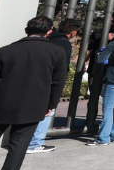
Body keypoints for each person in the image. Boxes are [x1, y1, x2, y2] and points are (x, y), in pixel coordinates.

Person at [0, 16, 69, 170]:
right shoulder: (56, 52)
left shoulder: (5, 51)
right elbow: (58, 81)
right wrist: (51, 105)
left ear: (26, 30)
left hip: (2, 103)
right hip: (34, 104)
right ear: (49, 32)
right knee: (18, 145)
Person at [26, 19, 81, 155]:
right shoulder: (64, 44)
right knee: (47, 111)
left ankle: (24, 140)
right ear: (73, 32)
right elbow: (62, 67)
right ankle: (35, 143)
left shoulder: (47, 38)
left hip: (31, 78)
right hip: (49, 81)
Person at [84, 13, 114, 135]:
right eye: (110, 21)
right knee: (94, 97)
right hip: (96, 70)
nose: (113, 23)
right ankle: (90, 122)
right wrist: (104, 40)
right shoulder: (98, 33)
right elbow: (88, 46)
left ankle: (113, 124)